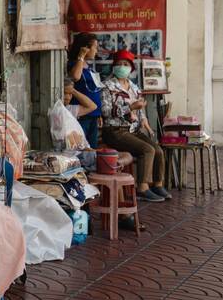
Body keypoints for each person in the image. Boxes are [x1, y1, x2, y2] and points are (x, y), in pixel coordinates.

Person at [100, 49, 169, 202]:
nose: (122, 67)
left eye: (125, 64)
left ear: (131, 68)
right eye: (119, 64)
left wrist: (145, 123)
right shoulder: (107, 86)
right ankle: (142, 188)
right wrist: (130, 108)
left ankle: (157, 184)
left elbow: (140, 110)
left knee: (158, 150)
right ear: (114, 66)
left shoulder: (134, 87)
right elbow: (105, 112)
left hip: (133, 130)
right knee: (147, 150)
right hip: (115, 131)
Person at [67, 32, 104, 148]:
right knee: (81, 148)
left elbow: (95, 90)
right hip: (82, 115)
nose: (96, 51)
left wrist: (99, 114)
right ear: (85, 48)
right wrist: (81, 56)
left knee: (92, 148)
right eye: (95, 47)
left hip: (93, 115)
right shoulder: (74, 64)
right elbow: (75, 77)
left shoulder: (89, 67)